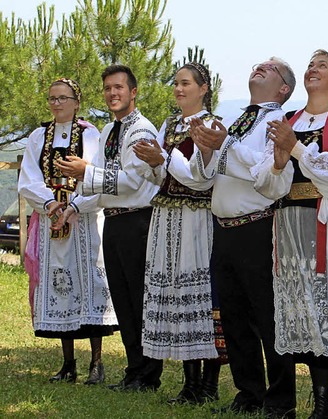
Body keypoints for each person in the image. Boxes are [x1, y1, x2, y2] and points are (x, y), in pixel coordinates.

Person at [253, 49, 328, 418]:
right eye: (310, 65)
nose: (312, 70)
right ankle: (319, 405)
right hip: (290, 226)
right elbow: (266, 184)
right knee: (309, 311)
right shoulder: (288, 119)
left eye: (323, 66)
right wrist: (278, 162)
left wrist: (295, 148)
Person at [190, 58, 297, 419]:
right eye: (257, 65)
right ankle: (247, 392)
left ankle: (281, 400)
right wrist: (207, 150)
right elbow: (207, 178)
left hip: (257, 226)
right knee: (233, 317)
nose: (259, 67)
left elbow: (266, 171)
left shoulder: (278, 122)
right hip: (223, 228)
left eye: (270, 68)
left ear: (283, 88)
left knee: (268, 317)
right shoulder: (239, 118)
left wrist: (227, 144)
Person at [56, 65, 164, 391]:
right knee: (123, 299)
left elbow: (132, 181)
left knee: (139, 299)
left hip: (138, 220)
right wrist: (74, 203)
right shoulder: (108, 130)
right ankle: (134, 370)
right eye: (107, 88)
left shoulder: (141, 130)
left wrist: (86, 170)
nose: (112, 94)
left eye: (119, 88)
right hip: (115, 221)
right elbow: (102, 184)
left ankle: (148, 375)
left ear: (133, 92)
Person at [132, 62, 224, 404]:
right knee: (174, 293)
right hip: (167, 216)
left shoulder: (213, 126)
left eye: (186, 83)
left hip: (196, 218)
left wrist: (164, 157)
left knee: (199, 295)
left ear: (203, 88)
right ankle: (189, 383)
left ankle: (207, 384)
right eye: (176, 83)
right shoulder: (169, 124)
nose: (178, 89)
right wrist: (153, 162)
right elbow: (161, 176)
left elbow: (202, 177)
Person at [19, 78, 118, 385]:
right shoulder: (39, 135)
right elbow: (29, 176)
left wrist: (74, 206)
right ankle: (68, 364)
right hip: (52, 221)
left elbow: (95, 173)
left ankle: (97, 363)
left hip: (84, 220)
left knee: (89, 284)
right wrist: (50, 204)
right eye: (52, 98)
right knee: (61, 284)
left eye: (63, 98)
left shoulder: (91, 134)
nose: (57, 103)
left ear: (77, 101)